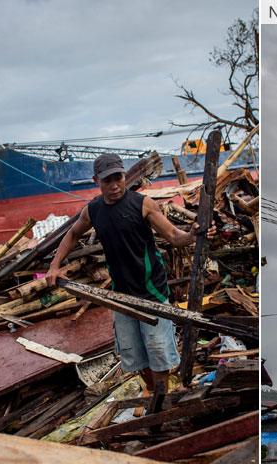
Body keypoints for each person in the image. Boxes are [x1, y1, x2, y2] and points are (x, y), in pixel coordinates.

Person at [46, 153, 208, 401]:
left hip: (151, 290)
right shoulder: (93, 211)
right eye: (107, 180)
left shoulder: (142, 204)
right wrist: (54, 266)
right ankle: (155, 392)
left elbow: (175, 237)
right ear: (96, 181)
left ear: (125, 176)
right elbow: (72, 234)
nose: (114, 185)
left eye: (118, 178)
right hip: (121, 296)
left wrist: (192, 235)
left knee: (158, 350)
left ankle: (162, 397)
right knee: (133, 353)